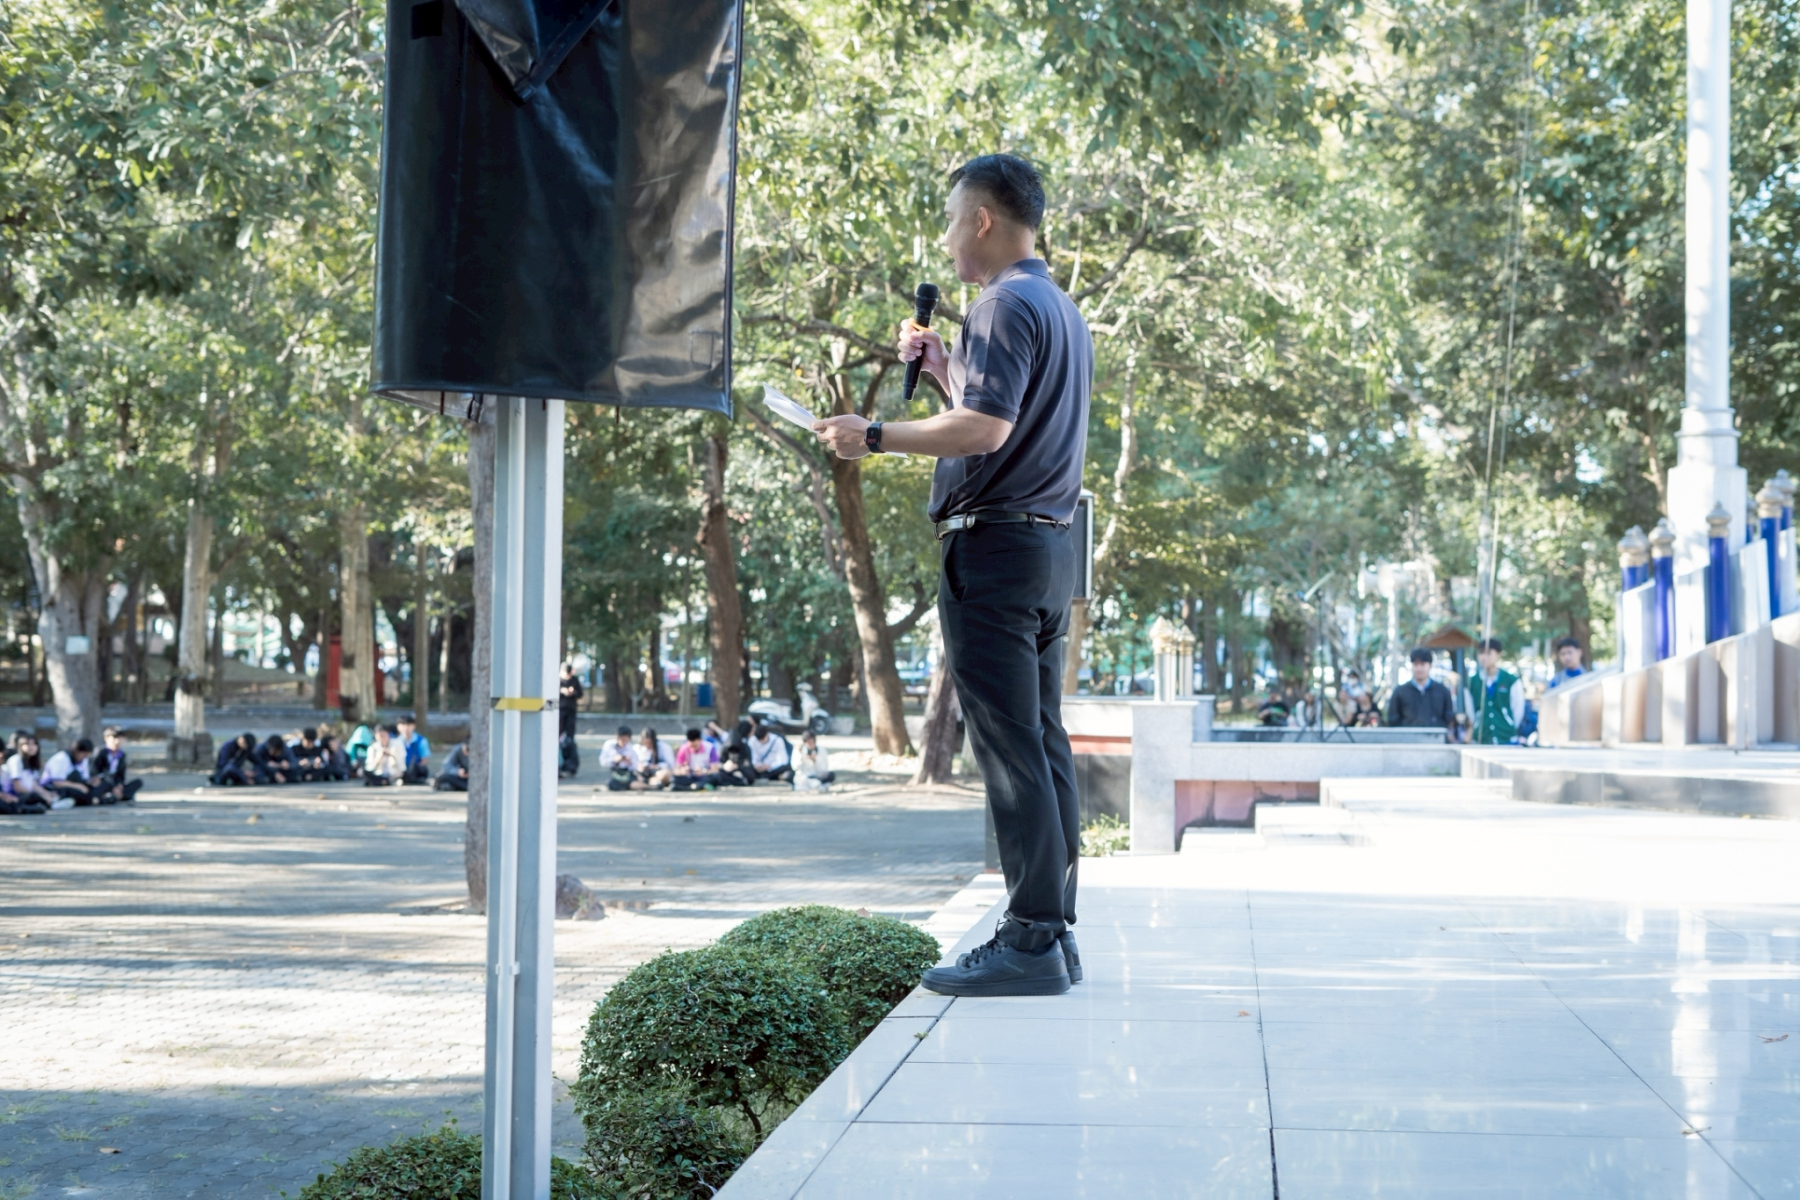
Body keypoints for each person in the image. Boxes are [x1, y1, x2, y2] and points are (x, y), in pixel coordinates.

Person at [812, 154, 1086, 997]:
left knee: (1009, 749)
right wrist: (942, 369)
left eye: (949, 218)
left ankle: (1031, 941)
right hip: (1047, 552)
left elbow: (986, 432)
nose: (946, 236)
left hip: (995, 552)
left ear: (981, 219)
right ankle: (1053, 930)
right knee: (1041, 740)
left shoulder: (1001, 303)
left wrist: (874, 435)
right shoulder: (1057, 305)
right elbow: (999, 415)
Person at [1466, 637, 1526, 745]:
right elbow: (1471, 712)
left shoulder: (1511, 681)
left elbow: (1517, 710)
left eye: (1488, 653)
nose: (1484, 657)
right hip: (1482, 739)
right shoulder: (1472, 682)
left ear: (1498, 655)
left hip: (1506, 738)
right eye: (1481, 653)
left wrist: (1509, 724)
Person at [1385, 649, 1457, 736]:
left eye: (1423, 664)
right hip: (1407, 739)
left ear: (1430, 665)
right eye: (1416, 664)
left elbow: (1448, 716)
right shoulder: (1400, 691)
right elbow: (1393, 718)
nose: (1419, 668)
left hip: (1436, 739)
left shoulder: (1442, 691)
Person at [2, 735, 57, 811]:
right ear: (20, 746)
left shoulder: (30, 762)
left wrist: (47, 794)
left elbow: (33, 785)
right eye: (27, 744)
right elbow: (18, 787)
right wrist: (41, 796)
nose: (31, 747)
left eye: (34, 744)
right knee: (36, 798)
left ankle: (52, 803)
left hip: (27, 794)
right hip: (14, 797)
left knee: (50, 794)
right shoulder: (15, 760)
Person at [88, 727, 142, 805]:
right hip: (102, 783)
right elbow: (94, 772)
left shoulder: (122, 755)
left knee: (138, 782)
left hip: (115, 784)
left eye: (120, 738)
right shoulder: (100, 752)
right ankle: (118, 796)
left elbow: (121, 775)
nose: (117, 741)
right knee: (102, 785)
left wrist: (119, 785)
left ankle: (117, 796)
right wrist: (112, 786)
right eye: (114, 738)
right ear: (106, 738)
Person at [42, 739, 97, 805]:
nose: (84, 758)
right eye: (84, 755)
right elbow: (57, 783)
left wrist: (91, 782)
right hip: (53, 788)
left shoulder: (84, 760)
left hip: (75, 785)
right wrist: (78, 786)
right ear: (77, 751)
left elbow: (84, 779)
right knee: (74, 792)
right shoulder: (61, 759)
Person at [599, 725, 637, 792]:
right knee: (611, 783)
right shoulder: (609, 745)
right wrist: (613, 760)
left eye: (626, 740)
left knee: (632, 781)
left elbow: (635, 766)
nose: (624, 742)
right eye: (622, 740)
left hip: (627, 772)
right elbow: (602, 762)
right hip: (614, 772)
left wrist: (629, 762)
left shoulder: (631, 748)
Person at [396, 716, 431, 785]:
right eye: (403, 725)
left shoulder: (421, 740)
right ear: (398, 727)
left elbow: (424, 761)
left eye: (408, 725)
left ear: (414, 726)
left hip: (417, 769)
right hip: (401, 770)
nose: (406, 727)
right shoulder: (395, 742)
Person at [558, 663, 584, 742]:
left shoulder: (574, 680)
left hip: (571, 709)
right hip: (559, 709)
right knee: (559, 729)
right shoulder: (558, 680)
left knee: (570, 729)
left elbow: (580, 694)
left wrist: (573, 693)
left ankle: (570, 745)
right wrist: (562, 691)